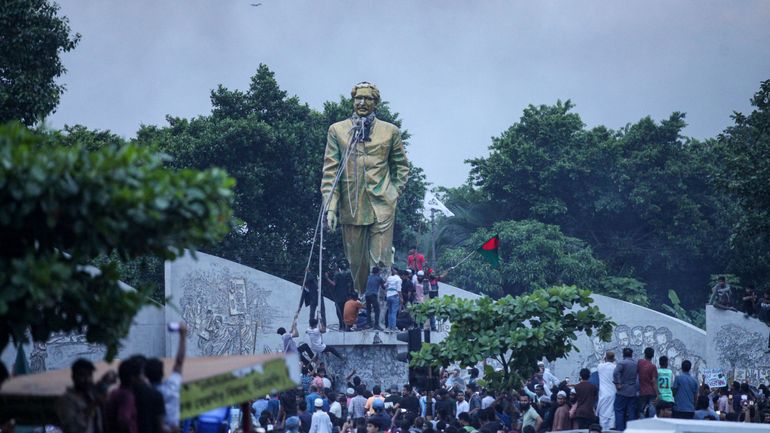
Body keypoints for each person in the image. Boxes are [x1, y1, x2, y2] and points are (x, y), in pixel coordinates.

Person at [321, 82, 410, 296]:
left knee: (380, 260)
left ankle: (379, 304)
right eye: (358, 98)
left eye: (367, 98)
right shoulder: (337, 130)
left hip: (382, 205)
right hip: (351, 206)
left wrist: (393, 193)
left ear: (375, 102)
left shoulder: (390, 131)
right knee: (355, 261)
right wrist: (331, 208)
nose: (362, 103)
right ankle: (363, 299)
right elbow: (330, 172)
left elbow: (401, 166)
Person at [145, 322, 188, 430]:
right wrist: (182, 336)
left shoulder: (143, 394)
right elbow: (179, 361)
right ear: (162, 373)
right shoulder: (171, 387)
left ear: (145, 375)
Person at [55, 358, 117, 433]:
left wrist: (107, 379)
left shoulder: (91, 394)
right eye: (82, 375)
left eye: (89, 375)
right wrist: (93, 405)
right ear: (73, 377)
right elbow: (71, 427)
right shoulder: (66, 400)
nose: (87, 379)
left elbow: (100, 385)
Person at [104, 358, 140, 433]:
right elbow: (124, 420)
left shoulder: (113, 392)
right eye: (139, 376)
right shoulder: (127, 396)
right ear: (133, 378)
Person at [613, 347, 638, 431]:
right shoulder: (635, 363)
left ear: (623, 354)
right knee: (631, 412)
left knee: (619, 411)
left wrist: (618, 383)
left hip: (622, 391)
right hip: (633, 391)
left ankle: (619, 430)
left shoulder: (622, 363)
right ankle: (631, 430)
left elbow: (615, 372)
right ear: (631, 354)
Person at [596, 351, 616, 430]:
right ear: (614, 359)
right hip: (613, 393)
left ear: (605, 358)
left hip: (603, 394)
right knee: (612, 414)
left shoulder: (600, 367)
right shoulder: (615, 367)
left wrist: (605, 359)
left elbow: (602, 362)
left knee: (603, 415)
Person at [637, 347, 658, 418]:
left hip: (642, 391)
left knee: (641, 410)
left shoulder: (640, 362)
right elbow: (654, 381)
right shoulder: (653, 366)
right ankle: (651, 425)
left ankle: (642, 426)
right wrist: (658, 394)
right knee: (652, 409)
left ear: (644, 354)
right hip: (651, 392)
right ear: (653, 355)